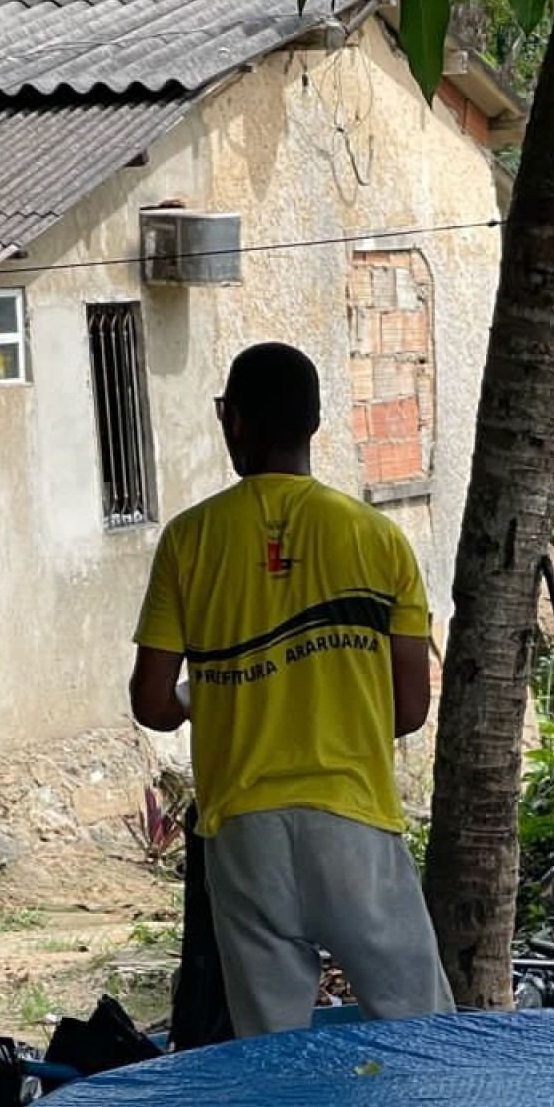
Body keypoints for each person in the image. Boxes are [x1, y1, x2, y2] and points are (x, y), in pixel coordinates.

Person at [129, 342, 454, 1037]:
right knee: (423, 1038)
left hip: (244, 837)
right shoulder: (381, 539)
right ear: (315, 421)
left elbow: (152, 705)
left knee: (270, 1056)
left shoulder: (188, 541)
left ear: (234, 420)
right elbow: (409, 708)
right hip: (355, 824)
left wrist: (214, 694)